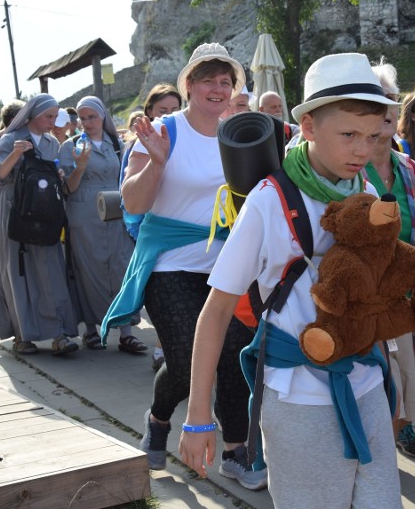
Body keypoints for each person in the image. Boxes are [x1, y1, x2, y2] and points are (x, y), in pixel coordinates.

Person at [179, 52, 401, 507]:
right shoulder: (268, 200)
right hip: (299, 397)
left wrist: (389, 370)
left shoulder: (367, 191)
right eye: (349, 135)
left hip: (367, 383)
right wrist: (199, 416)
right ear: (309, 127)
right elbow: (217, 309)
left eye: (373, 137)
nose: (362, 150)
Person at [104, 43, 264, 489]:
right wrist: (155, 162)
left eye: (226, 81)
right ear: (189, 85)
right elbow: (133, 203)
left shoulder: (238, 130)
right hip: (170, 265)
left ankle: (236, 449)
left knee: (234, 351)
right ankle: (158, 420)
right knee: (183, 358)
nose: (218, 88)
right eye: (208, 79)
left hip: (226, 263)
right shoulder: (164, 131)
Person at [365, 58, 415, 459]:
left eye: (392, 99)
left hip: (408, 291)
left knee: (410, 367)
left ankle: (403, 428)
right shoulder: (348, 172)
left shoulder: (406, 166)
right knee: (379, 368)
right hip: (370, 294)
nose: (390, 109)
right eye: (379, 100)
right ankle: (381, 435)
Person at [0, 94, 79, 356]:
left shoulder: (52, 143)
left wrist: (56, 174)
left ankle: (59, 333)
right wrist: (15, 154)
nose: (53, 122)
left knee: (51, 270)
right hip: (14, 212)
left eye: (55, 116)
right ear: (32, 116)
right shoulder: (10, 139)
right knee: (18, 273)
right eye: (48, 116)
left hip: (44, 213)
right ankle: (22, 335)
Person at [58, 96, 141, 353]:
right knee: (88, 270)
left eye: (91, 116)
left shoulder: (117, 144)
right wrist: (80, 166)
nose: (86, 122)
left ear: (102, 116)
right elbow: (68, 188)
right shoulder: (69, 146)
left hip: (116, 212)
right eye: (81, 118)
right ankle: (92, 330)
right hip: (84, 214)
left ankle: (126, 332)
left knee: (121, 268)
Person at [136, 83, 182, 371]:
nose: (169, 116)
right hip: (158, 236)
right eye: (163, 110)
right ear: (150, 112)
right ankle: (162, 348)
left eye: (176, 110)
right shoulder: (144, 142)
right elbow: (132, 201)